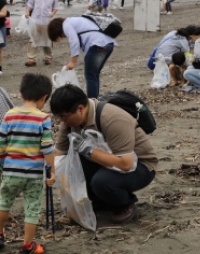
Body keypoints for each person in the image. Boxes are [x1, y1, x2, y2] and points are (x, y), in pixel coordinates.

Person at [50, 85, 157, 223]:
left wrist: (88, 151)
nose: (61, 121)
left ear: (80, 109)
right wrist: (46, 170)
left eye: (63, 117)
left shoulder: (112, 119)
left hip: (141, 166)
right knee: (72, 166)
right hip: (109, 160)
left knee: (101, 182)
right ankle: (100, 201)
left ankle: (124, 205)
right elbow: (60, 154)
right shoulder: (70, 121)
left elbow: (126, 164)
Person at [0, 73, 55, 254]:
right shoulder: (43, 118)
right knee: (32, 208)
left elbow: (0, 143)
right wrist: (52, 172)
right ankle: (28, 245)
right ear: (44, 98)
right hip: (33, 175)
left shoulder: (9, 115)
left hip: (11, 171)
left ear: (21, 93)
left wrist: (2, 163)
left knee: (4, 201)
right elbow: (48, 148)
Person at [47, 16, 117, 99]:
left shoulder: (66, 24)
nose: (63, 37)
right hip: (108, 44)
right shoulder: (74, 21)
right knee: (94, 74)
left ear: (57, 30)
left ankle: (92, 101)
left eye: (60, 36)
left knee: (90, 75)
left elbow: (74, 41)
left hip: (97, 44)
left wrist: (73, 61)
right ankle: (95, 99)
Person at [25, 0, 58, 67]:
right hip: (35, 19)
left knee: (47, 39)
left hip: (47, 21)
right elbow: (30, 4)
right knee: (33, 39)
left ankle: (48, 57)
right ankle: (31, 59)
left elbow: (56, 7)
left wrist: (52, 13)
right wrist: (27, 12)